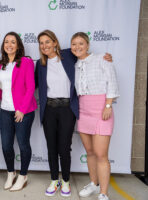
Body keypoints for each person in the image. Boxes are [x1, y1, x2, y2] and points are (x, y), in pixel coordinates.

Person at [35, 30, 112, 197]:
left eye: (48, 42)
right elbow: (30, 83)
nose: (44, 46)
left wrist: (105, 57)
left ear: (55, 42)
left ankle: (66, 181)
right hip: (48, 109)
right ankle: (54, 179)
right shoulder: (40, 64)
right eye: (41, 43)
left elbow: (85, 55)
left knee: (64, 147)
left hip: (67, 109)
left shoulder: (69, 55)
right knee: (51, 147)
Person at [71, 32, 119, 200]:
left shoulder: (102, 59)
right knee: (90, 152)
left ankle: (103, 193)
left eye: (81, 43)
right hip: (83, 110)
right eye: (74, 44)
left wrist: (108, 105)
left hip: (101, 110)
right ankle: (93, 183)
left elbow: (112, 82)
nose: (77, 47)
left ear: (88, 45)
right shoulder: (74, 64)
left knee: (101, 154)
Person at [0, 32, 37, 191]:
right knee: (6, 145)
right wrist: (3, 101)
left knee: (23, 144)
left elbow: (30, 88)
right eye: (6, 42)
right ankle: (10, 172)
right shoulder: (1, 64)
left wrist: (21, 109)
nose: (9, 45)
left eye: (13, 42)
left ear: (18, 45)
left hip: (24, 111)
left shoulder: (26, 62)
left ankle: (23, 175)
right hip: (5, 110)